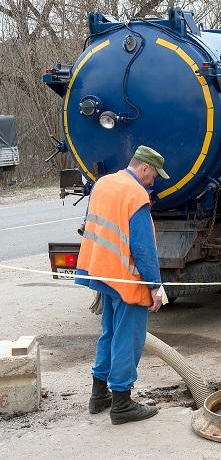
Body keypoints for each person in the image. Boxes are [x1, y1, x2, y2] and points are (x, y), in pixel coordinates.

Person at [75, 145, 169, 425]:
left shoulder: (103, 183)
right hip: (127, 279)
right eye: (154, 176)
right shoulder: (136, 194)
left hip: (101, 272)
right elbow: (143, 247)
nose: (153, 182)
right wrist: (155, 286)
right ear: (144, 168)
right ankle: (122, 404)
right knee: (128, 340)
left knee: (109, 333)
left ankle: (98, 396)